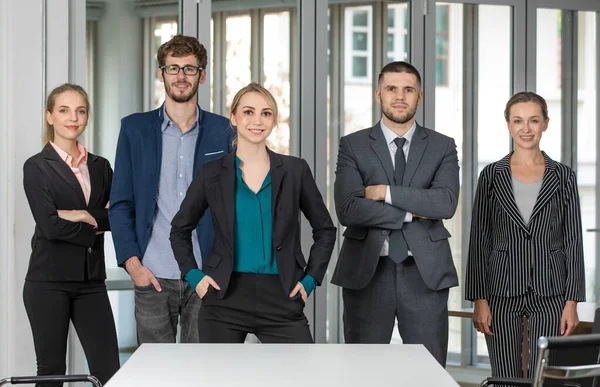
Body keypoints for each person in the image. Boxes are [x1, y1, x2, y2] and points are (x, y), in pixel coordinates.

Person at [170, 82, 336, 343]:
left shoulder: (295, 171)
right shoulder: (211, 172)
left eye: (266, 113)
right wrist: (194, 276)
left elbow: (325, 230)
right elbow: (180, 229)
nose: (257, 120)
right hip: (223, 295)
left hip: (282, 294)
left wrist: (310, 280)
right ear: (234, 118)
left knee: (301, 378)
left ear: (274, 120)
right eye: (248, 112)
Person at [331, 61, 459, 365]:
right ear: (378, 95)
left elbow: (444, 204)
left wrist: (383, 193)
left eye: (408, 89)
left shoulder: (442, 146)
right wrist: (411, 213)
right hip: (368, 272)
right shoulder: (353, 145)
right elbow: (348, 209)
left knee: (429, 375)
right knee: (363, 372)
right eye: (391, 89)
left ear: (420, 96)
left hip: (425, 274)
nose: (400, 96)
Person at [109, 34, 233, 343]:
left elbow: (234, 201)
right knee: (154, 373)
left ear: (202, 75)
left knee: (203, 371)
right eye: (173, 67)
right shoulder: (134, 129)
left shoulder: (223, 131)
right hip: (152, 273)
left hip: (206, 273)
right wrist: (132, 263)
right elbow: (121, 201)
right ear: (161, 73)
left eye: (189, 68)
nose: (181, 76)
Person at [465, 91, 585, 379]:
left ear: (545, 123)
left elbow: (573, 240)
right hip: (500, 290)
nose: (526, 128)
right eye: (518, 121)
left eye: (533, 120)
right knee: (505, 376)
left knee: (541, 378)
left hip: (551, 291)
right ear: (508, 125)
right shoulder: (491, 175)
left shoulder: (564, 176)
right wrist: (479, 299)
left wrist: (572, 303)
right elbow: (480, 239)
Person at [22, 83, 120, 386]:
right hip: (48, 282)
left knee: (109, 370)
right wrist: (95, 225)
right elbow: (50, 227)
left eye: (80, 111)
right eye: (64, 110)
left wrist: (82, 215)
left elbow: (116, 216)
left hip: (91, 281)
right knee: (51, 371)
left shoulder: (101, 166)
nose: (73, 118)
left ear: (87, 116)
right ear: (50, 116)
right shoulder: (37, 167)